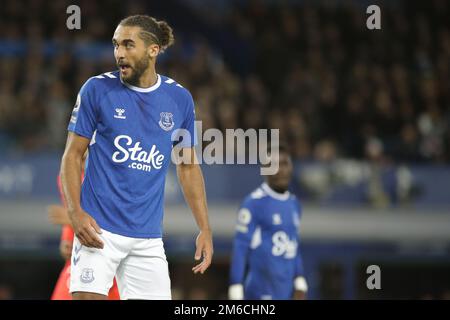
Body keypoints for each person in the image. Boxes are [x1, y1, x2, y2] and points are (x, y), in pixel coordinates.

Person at [60, 15, 213, 300]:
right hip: (98, 230)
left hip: (148, 238)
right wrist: (75, 214)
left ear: (153, 50)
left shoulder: (179, 99)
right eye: (116, 45)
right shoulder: (96, 89)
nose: (119, 53)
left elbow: (189, 167)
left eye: (129, 45)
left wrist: (204, 228)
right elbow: (72, 156)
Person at [228, 145, 308, 300]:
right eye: (274, 165)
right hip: (261, 291)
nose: (280, 170)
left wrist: (299, 280)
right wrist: (235, 287)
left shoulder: (294, 203)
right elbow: (240, 247)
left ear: (291, 167)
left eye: (284, 163)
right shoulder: (253, 203)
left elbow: (293, 243)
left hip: (287, 290)